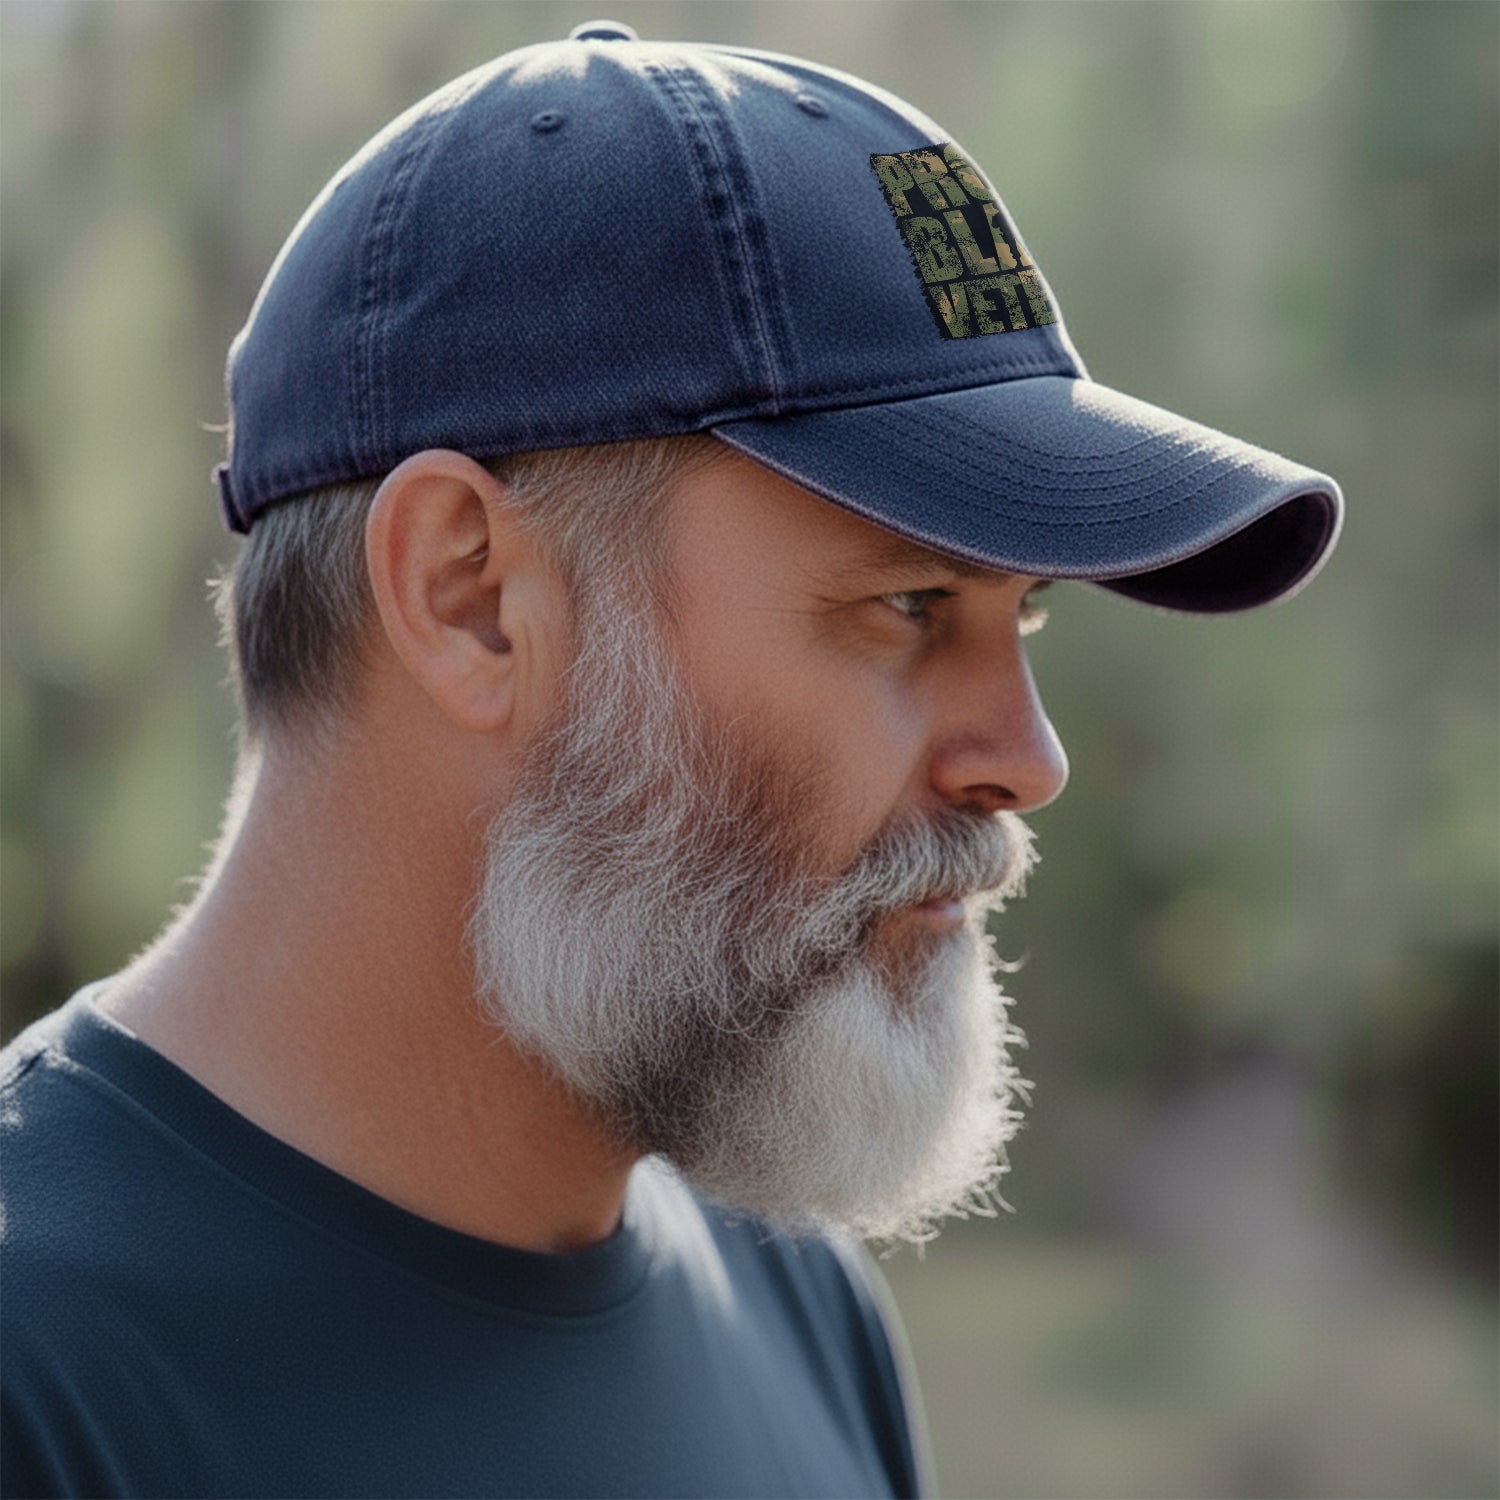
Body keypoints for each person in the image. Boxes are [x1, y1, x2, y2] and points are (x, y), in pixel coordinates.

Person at [0, 21, 1343, 1499]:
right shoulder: (42, 1369)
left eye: (1021, 615)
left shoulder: (798, 1304)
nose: (1027, 761)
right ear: (469, 596)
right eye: (908, 605)